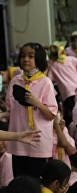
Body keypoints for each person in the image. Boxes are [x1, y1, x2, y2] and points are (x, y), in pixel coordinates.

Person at [1, 43, 57, 178]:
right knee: (20, 182)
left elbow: (51, 115)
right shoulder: (15, 81)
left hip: (38, 142)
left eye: (31, 56)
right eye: (23, 56)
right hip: (18, 143)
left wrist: (36, 102)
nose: (26, 59)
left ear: (39, 59)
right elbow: (12, 111)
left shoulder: (45, 82)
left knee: (36, 184)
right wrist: (2, 114)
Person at [47, 41, 77, 127]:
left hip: (67, 96)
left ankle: (71, 137)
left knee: (70, 118)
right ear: (62, 51)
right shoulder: (71, 59)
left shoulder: (53, 66)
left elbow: (48, 81)